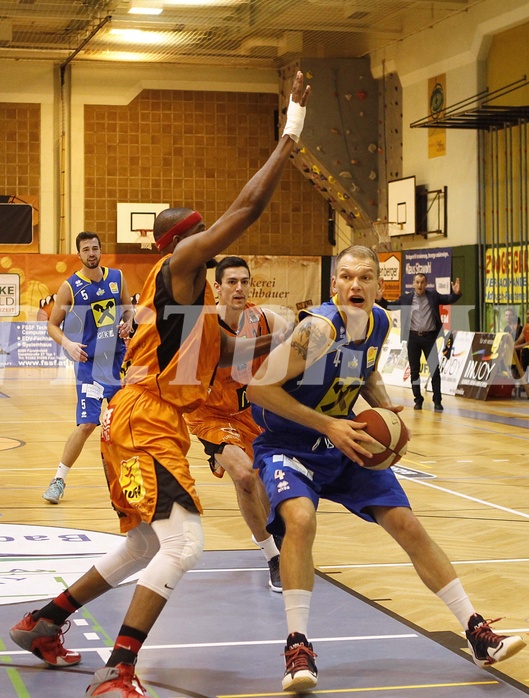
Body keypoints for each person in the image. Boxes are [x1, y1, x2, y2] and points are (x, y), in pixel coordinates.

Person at [9, 70, 311, 698]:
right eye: (199, 230)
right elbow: (249, 208)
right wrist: (290, 133)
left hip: (152, 423)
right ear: (183, 243)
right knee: (185, 544)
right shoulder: (178, 267)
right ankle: (118, 669)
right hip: (143, 421)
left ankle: (44, 622)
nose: (209, 236)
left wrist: (300, 340)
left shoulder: (190, 303)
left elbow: (236, 355)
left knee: (148, 542)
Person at [247, 245, 525, 694]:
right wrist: (327, 425)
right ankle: (297, 646)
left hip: (347, 442)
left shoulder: (377, 322)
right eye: (346, 277)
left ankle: (476, 633)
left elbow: (364, 372)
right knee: (300, 520)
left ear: (380, 285)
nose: (355, 285)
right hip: (290, 443)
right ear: (333, 284)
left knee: (408, 525)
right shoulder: (317, 329)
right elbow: (258, 390)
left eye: (366, 277)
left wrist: (384, 411)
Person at [185, 256, 284, 592]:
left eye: (244, 281)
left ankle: (281, 539)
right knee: (244, 475)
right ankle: (273, 556)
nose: (239, 288)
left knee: (271, 483)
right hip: (211, 415)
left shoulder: (266, 318)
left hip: (251, 414)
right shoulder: (202, 324)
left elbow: (297, 343)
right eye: (231, 282)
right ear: (217, 287)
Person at [42, 232, 134, 504]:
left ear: (100, 250)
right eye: (86, 249)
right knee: (87, 425)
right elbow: (52, 325)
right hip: (89, 367)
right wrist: (69, 344)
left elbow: (129, 308)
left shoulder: (117, 278)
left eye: (95, 248)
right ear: (79, 255)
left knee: (125, 426)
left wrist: (128, 322)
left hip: (116, 365)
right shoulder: (69, 287)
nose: (92, 253)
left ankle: (132, 482)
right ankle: (58, 480)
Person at [379, 272, 461, 412]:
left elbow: (449, 299)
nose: (420, 285)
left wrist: (457, 294)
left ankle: (437, 401)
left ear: (426, 284)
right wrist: (380, 299)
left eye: (422, 282)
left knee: (435, 371)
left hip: (429, 338)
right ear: (413, 284)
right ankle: (418, 400)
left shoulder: (433, 296)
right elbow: (389, 305)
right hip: (413, 339)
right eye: (417, 282)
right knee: (414, 372)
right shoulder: (406, 298)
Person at [513, 306, 529, 381]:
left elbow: (528, 343)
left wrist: (515, 347)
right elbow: (519, 340)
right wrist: (510, 346)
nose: (528, 316)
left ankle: (527, 380)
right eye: (527, 313)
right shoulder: (526, 326)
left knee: (525, 351)